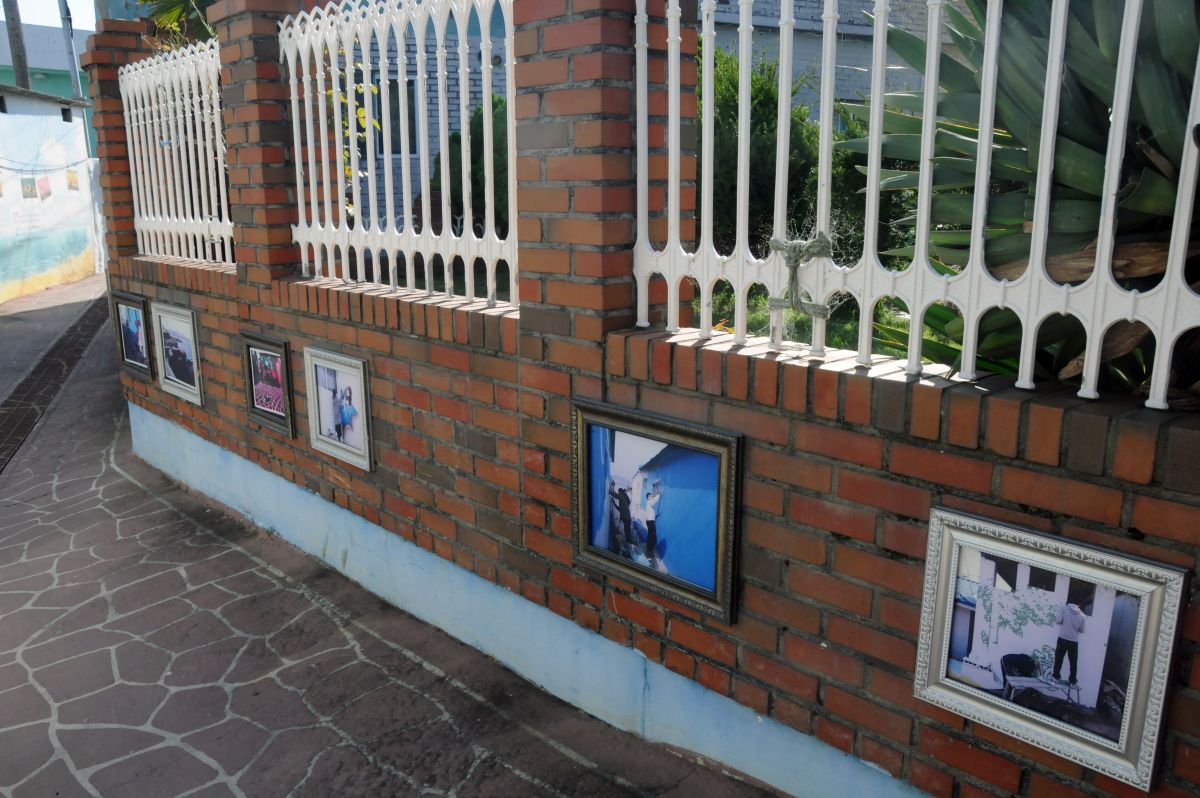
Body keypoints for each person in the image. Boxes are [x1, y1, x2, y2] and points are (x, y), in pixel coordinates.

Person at [1053, 602, 1086, 685]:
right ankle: (1072, 680)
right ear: (1079, 604)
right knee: (1073, 662)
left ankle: (1056, 676)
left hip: (1062, 638)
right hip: (1074, 641)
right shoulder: (1082, 615)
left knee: (1059, 659)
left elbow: (1058, 621)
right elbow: (1082, 631)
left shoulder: (1063, 608)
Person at [608, 482, 632, 556]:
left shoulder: (621, 496)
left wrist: (611, 492)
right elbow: (619, 509)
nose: (618, 493)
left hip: (626, 518)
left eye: (619, 492)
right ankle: (628, 543)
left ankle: (628, 544)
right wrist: (613, 503)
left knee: (627, 531)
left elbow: (616, 496)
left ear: (620, 492)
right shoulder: (625, 500)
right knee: (627, 531)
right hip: (627, 518)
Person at [644, 480, 662, 564]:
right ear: (648, 497)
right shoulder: (649, 501)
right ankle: (649, 550)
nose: (651, 496)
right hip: (650, 522)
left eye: (651, 495)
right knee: (652, 535)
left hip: (650, 521)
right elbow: (654, 501)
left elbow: (651, 513)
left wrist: (656, 516)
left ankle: (650, 547)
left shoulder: (648, 504)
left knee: (651, 535)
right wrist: (659, 495)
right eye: (650, 495)